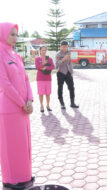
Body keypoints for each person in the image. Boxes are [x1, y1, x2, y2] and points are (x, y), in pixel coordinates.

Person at [0, 22, 35, 189]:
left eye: (16, 34)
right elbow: (5, 84)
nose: (15, 37)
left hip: (22, 109)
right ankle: (10, 178)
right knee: (10, 145)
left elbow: (26, 79)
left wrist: (30, 99)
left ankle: (23, 175)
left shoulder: (16, 55)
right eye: (11, 34)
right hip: (10, 109)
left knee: (23, 144)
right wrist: (22, 103)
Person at [56, 41, 79, 109]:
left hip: (68, 72)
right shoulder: (58, 54)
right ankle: (62, 103)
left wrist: (71, 73)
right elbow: (57, 64)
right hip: (60, 72)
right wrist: (63, 59)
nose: (65, 48)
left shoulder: (68, 53)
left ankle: (72, 103)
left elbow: (70, 63)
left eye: (66, 46)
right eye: (63, 46)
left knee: (72, 87)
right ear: (60, 46)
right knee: (60, 88)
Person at [35, 46, 55, 112]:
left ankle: (48, 105)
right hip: (40, 78)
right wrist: (43, 64)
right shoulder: (37, 59)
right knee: (41, 93)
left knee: (48, 93)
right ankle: (41, 106)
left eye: (45, 50)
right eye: (42, 50)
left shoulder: (49, 59)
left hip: (48, 78)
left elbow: (53, 66)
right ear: (40, 51)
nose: (44, 51)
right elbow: (37, 67)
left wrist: (46, 68)